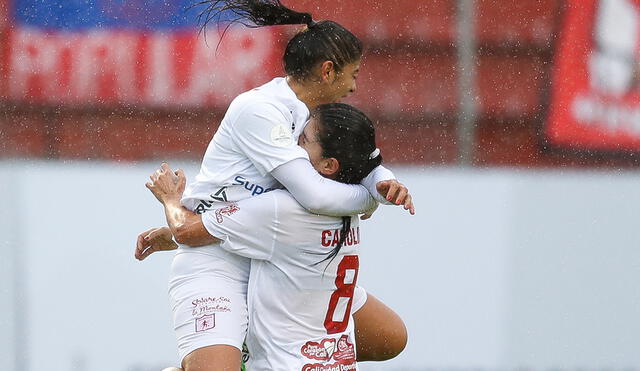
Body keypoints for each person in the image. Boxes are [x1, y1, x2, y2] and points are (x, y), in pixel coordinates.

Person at [137, 1, 412, 370]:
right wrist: (370, 199)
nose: (354, 86)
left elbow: (355, 160)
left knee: (389, 338)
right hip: (218, 257)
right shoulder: (260, 111)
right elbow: (314, 194)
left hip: (272, 254)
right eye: (353, 74)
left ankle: (250, 346)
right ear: (328, 71)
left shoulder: (315, 121)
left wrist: (385, 181)